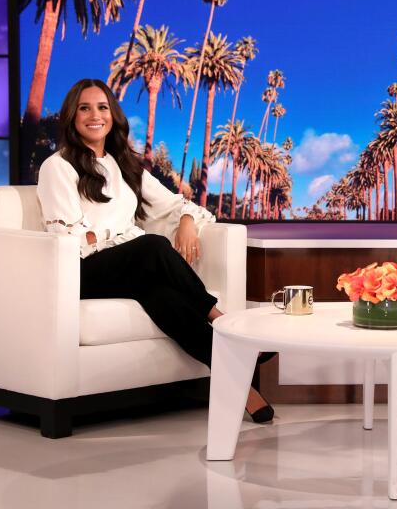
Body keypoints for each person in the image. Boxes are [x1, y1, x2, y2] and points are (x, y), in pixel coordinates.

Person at [36, 79, 275, 423]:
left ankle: (244, 391)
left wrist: (188, 220)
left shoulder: (125, 166)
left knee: (162, 296)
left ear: (113, 116)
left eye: (102, 107)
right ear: (72, 117)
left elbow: (176, 204)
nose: (94, 116)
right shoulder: (57, 167)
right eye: (84, 108)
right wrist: (119, 235)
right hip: (79, 273)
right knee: (151, 246)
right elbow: (70, 237)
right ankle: (227, 325)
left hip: (124, 268)